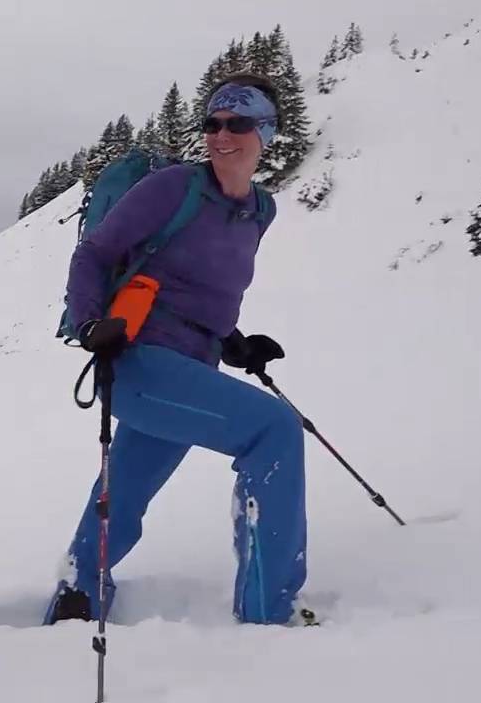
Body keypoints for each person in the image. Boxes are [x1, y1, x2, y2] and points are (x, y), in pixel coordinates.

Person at [46, 73, 311, 627]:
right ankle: (268, 615)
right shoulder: (174, 188)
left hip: (191, 361)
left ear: (267, 131)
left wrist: (232, 341)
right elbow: (94, 254)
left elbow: (201, 285)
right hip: (140, 360)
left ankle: (76, 601)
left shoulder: (261, 210)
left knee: (125, 489)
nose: (221, 135)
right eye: (212, 124)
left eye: (237, 123)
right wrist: (92, 320)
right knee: (273, 431)